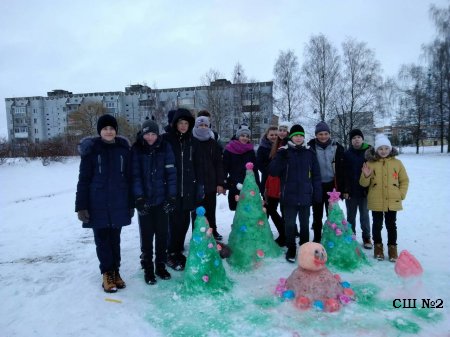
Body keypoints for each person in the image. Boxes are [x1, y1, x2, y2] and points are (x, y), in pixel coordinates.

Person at [75, 114, 133, 293]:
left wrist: (130, 203)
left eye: (111, 128)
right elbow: (83, 180)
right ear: (100, 131)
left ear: (116, 130)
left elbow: (130, 178)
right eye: (105, 129)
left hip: (119, 202)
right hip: (96, 203)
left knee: (115, 239)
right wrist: (81, 206)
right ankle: (106, 273)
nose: (109, 131)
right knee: (102, 240)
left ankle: (116, 271)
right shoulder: (91, 150)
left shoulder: (124, 150)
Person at [131, 119, 177, 284]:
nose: (150, 137)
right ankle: (148, 269)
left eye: (153, 134)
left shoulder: (165, 148)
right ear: (142, 134)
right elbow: (135, 176)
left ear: (158, 134)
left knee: (163, 235)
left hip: (162, 200)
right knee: (147, 236)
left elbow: (172, 174)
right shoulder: (137, 149)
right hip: (145, 202)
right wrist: (139, 198)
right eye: (147, 134)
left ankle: (160, 266)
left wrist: (172, 197)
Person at [269, 124, 322, 262]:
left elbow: (316, 175)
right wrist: (280, 156)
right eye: (295, 136)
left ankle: (304, 249)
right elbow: (273, 171)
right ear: (290, 137)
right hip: (289, 196)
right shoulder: (284, 152)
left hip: (305, 196)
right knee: (290, 224)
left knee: (304, 225)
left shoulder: (310, 152)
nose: (298, 138)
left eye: (301, 135)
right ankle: (291, 248)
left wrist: (317, 194)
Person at [163, 108, 204, 271]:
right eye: (180, 122)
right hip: (172, 189)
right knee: (173, 222)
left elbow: (198, 165)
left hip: (188, 188)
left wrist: (199, 186)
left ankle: (177, 249)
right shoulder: (166, 140)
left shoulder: (192, 142)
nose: (183, 126)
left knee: (185, 221)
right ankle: (170, 252)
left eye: (186, 123)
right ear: (175, 124)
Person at [360, 134, 409, 262]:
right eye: (380, 148)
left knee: (391, 225)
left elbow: (404, 180)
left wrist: (401, 194)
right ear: (376, 149)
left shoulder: (397, 163)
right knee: (377, 225)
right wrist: (366, 176)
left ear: (390, 149)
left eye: (386, 148)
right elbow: (363, 184)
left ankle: (392, 250)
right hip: (375, 199)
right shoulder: (370, 163)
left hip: (392, 199)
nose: (383, 151)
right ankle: (378, 249)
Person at [307, 121, 345, 243]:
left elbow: (342, 169)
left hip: (331, 186)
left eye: (325, 133)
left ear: (329, 134)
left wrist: (342, 188)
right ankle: (317, 238)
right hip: (317, 186)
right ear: (316, 135)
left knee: (332, 214)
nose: (323, 136)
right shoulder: (310, 148)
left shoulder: (336, 147)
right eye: (320, 134)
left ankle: (332, 237)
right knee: (317, 214)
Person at [191, 115, 225, 240]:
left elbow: (218, 164)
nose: (203, 127)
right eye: (200, 125)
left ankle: (213, 230)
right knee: (197, 211)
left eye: (205, 125)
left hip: (211, 182)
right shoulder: (191, 141)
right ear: (196, 126)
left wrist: (220, 182)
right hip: (196, 183)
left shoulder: (213, 143)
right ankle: (197, 233)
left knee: (211, 210)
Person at [343, 129, 373, 249]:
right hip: (350, 191)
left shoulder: (369, 153)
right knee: (351, 215)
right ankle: (351, 236)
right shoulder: (347, 154)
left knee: (365, 215)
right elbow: (343, 173)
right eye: (354, 138)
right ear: (351, 141)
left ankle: (366, 237)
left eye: (358, 137)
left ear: (362, 139)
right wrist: (345, 189)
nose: (356, 140)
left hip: (365, 191)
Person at [257, 126, 285, 246]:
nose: (273, 136)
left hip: (282, 182)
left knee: (284, 209)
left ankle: (286, 232)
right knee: (268, 208)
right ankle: (264, 233)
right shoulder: (263, 148)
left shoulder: (282, 145)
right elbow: (259, 164)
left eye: (275, 134)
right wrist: (271, 172)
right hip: (268, 182)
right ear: (267, 135)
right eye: (271, 135)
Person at [223, 124, 260, 211]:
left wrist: (257, 184)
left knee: (249, 209)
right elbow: (224, 167)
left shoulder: (250, 151)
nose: (245, 138)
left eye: (247, 136)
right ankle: (238, 224)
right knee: (236, 208)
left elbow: (254, 169)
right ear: (238, 136)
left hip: (249, 185)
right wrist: (223, 183)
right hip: (235, 184)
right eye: (242, 135)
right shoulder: (229, 149)